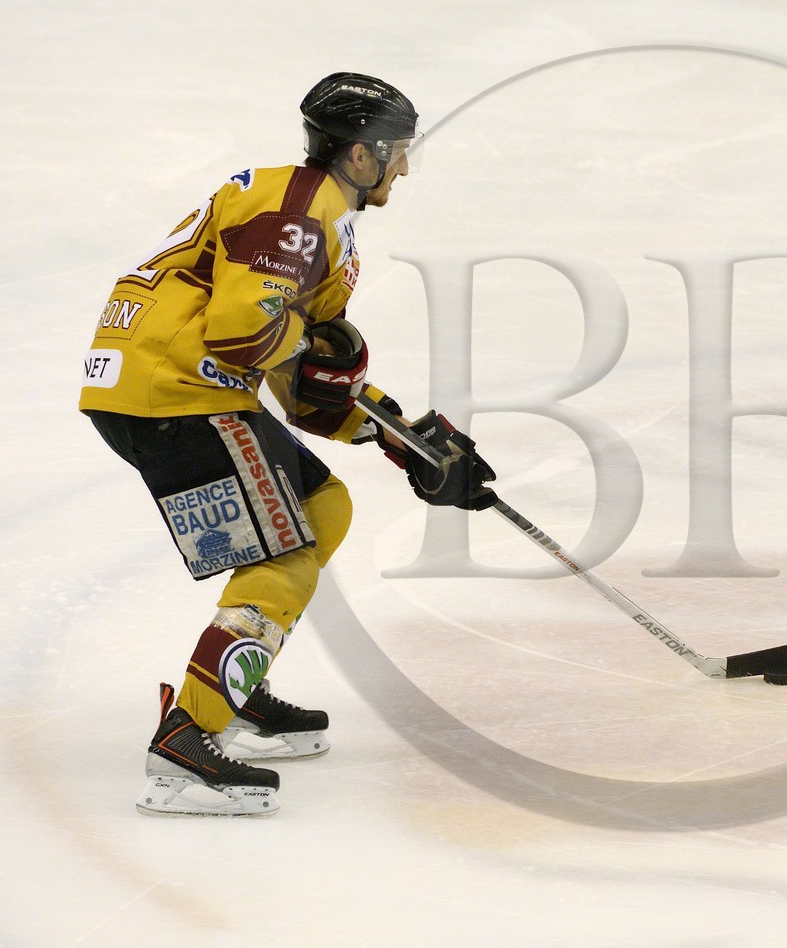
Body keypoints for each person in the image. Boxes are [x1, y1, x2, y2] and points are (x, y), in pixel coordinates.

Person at [80, 72, 498, 818]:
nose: (403, 166)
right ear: (362, 156)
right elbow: (243, 338)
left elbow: (300, 386)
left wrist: (402, 437)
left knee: (319, 505)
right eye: (396, 151)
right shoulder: (299, 217)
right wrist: (321, 348)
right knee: (288, 545)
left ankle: (230, 690)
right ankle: (188, 738)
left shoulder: (312, 212)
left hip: (162, 385)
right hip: (177, 391)